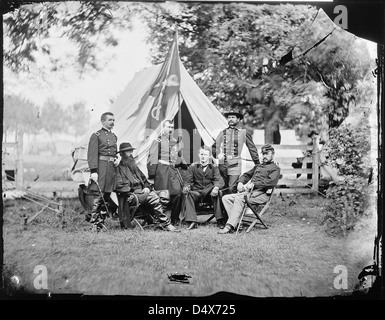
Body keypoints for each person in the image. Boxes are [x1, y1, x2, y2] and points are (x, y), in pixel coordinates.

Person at [114, 142, 180, 232]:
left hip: (143, 193)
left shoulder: (134, 166)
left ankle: (157, 221)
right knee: (153, 197)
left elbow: (144, 180)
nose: (130, 154)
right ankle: (166, 224)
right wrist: (137, 192)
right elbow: (119, 186)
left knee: (165, 193)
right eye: (127, 152)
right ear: (121, 154)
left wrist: (147, 187)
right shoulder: (118, 168)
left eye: (131, 151)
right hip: (132, 196)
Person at [219, 144, 280, 234]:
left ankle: (229, 226)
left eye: (267, 154)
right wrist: (240, 182)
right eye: (263, 154)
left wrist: (254, 185)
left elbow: (270, 183)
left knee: (239, 198)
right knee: (226, 198)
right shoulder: (258, 166)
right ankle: (238, 223)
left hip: (261, 195)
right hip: (248, 193)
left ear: (273, 154)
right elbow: (246, 175)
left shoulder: (275, 169)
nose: (264, 156)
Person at [211, 107, 260, 194]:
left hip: (235, 165)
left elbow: (252, 148)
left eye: (233, 117)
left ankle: (231, 206)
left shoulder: (243, 133)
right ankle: (222, 207)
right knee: (221, 188)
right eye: (229, 117)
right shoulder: (222, 132)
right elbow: (214, 147)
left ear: (238, 119)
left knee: (231, 189)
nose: (230, 119)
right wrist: (218, 154)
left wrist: (257, 163)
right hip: (222, 165)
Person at [177, 146, 226, 230]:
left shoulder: (213, 167)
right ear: (198, 155)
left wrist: (216, 187)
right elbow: (188, 181)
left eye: (206, 155)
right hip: (197, 192)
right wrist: (186, 186)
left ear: (210, 156)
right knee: (189, 194)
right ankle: (192, 221)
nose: (203, 156)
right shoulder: (192, 167)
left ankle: (220, 220)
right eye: (201, 154)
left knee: (217, 193)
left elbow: (219, 180)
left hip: (209, 193)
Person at [147, 119, 185, 222]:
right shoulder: (157, 141)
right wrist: (151, 175)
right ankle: (159, 220)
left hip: (172, 170)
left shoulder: (175, 141)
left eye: (172, 127)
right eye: (168, 127)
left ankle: (174, 218)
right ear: (163, 128)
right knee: (162, 196)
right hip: (161, 171)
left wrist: (180, 148)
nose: (170, 129)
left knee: (177, 194)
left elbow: (179, 158)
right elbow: (152, 158)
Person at [87, 112, 119, 232]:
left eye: (113, 120)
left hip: (110, 169)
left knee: (106, 196)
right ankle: (94, 224)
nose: (112, 122)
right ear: (103, 121)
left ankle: (100, 223)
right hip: (100, 169)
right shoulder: (96, 135)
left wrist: (115, 159)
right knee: (98, 197)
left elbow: (113, 152)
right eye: (110, 120)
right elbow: (92, 154)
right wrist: (93, 170)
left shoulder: (114, 136)